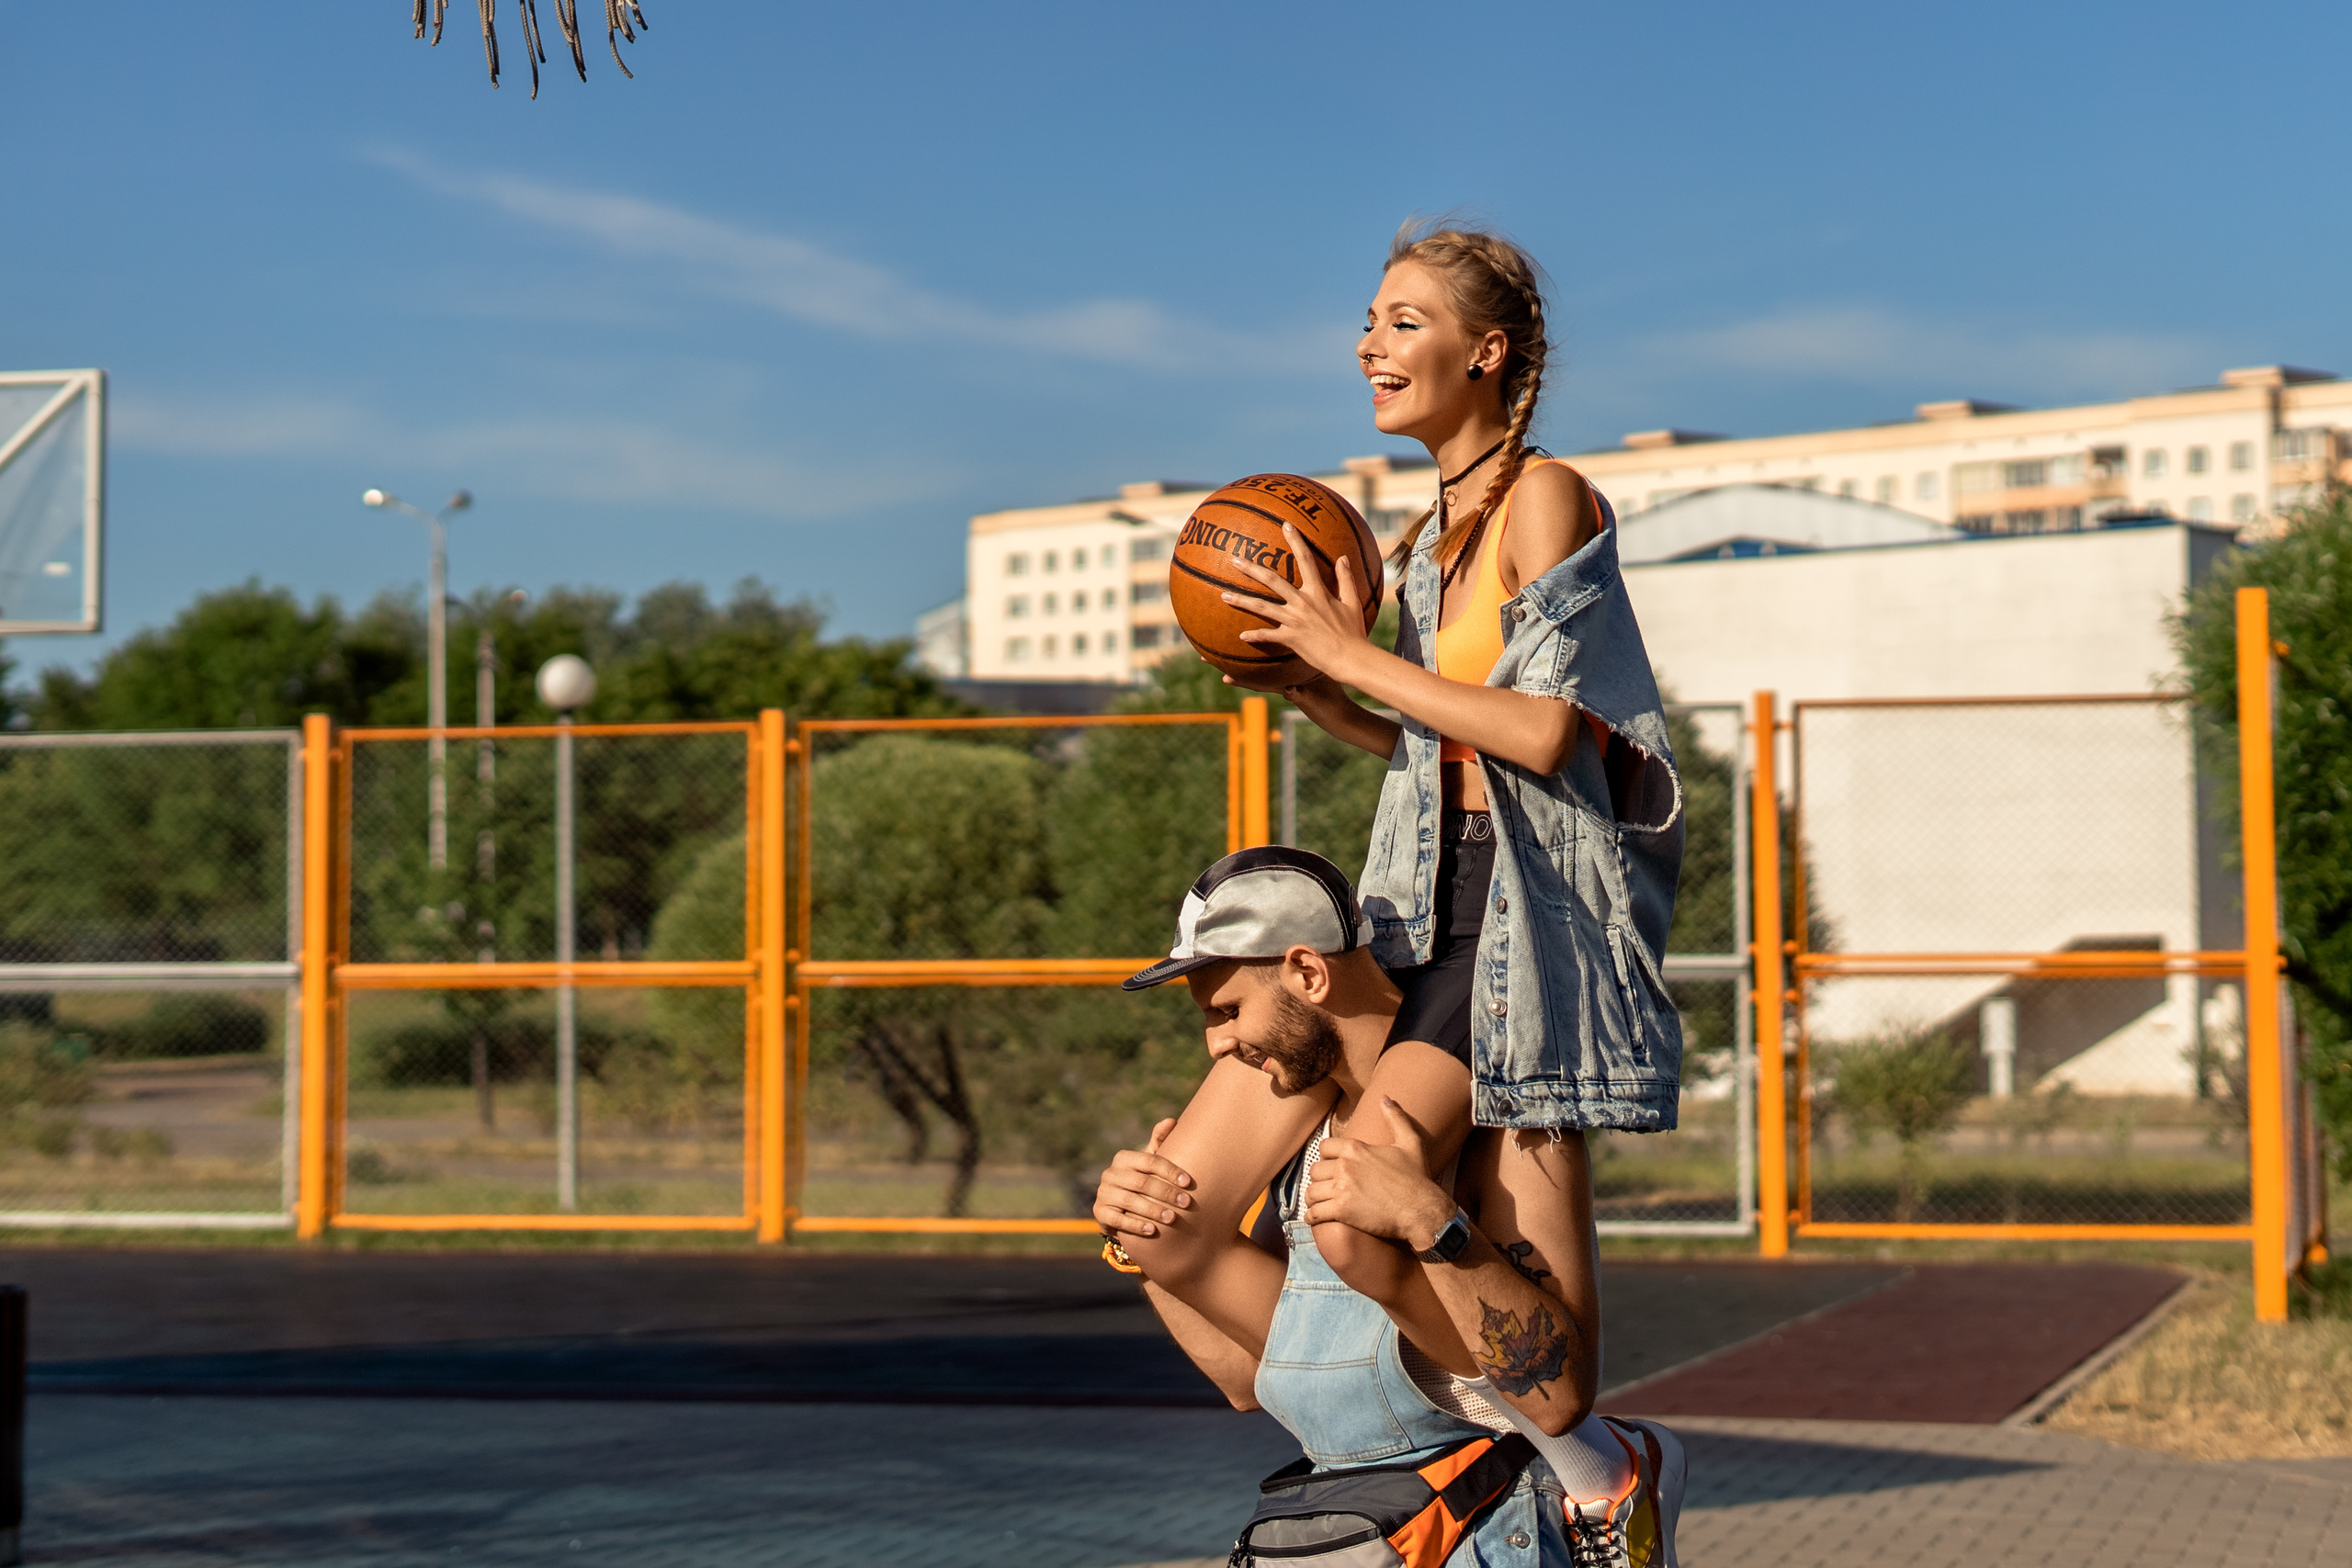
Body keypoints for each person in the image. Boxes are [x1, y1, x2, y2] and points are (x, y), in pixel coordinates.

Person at [1112, 219, 1687, 1543]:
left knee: (1369, 1183)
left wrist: (1348, 652)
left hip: (1521, 922)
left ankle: (1596, 1463)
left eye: (1405, 321)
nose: (1371, 343)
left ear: (1486, 353)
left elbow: (1545, 736)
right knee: (1257, 1196)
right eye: (1368, 321)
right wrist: (1321, 685)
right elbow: (1450, 745)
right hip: (1426, 901)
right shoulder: (1429, 533)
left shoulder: (1548, 496)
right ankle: (1459, 1455)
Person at [1095, 847, 1683, 1567]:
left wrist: (1432, 1226)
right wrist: (1138, 1238)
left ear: (1309, 973)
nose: (1217, 1043)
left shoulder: (1507, 1120)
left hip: (1483, 1523)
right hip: (1343, 1523)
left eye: (1228, 1010)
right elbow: (1249, 1376)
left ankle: (1609, 1467)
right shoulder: (1304, 1139)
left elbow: (1559, 1394)